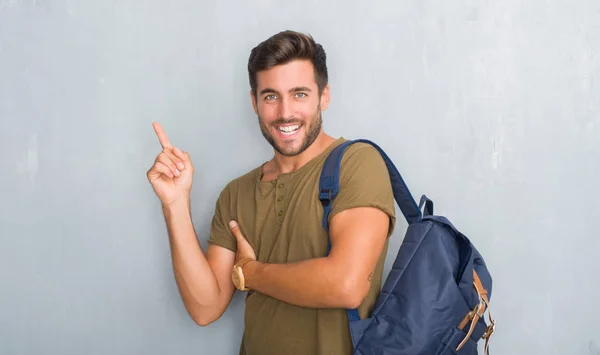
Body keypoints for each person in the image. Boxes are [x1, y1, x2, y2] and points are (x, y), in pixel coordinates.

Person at [146, 30, 396, 355]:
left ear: (324, 96)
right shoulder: (236, 194)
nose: (285, 112)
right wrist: (175, 204)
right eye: (271, 96)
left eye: (300, 94)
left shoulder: (359, 163)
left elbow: (346, 285)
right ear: (254, 102)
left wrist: (251, 274)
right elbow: (205, 308)